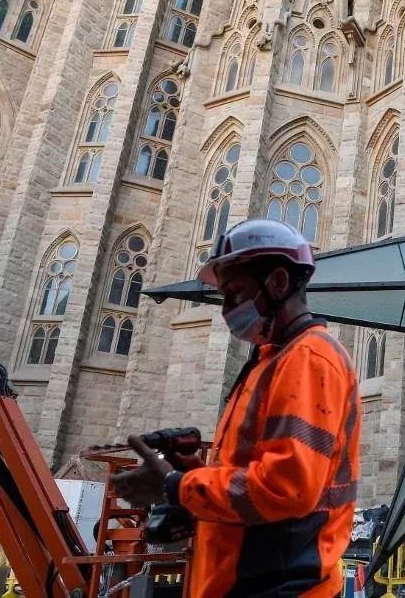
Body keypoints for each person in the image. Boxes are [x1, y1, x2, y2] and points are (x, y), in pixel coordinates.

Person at [111, 218, 361, 597]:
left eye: (234, 292)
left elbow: (286, 489)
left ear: (278, 282)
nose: (227, 308)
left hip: (280, 588)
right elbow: (250, 478)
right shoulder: (269, 361)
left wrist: (175, 486)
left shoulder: (308, 359)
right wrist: (192, 476)